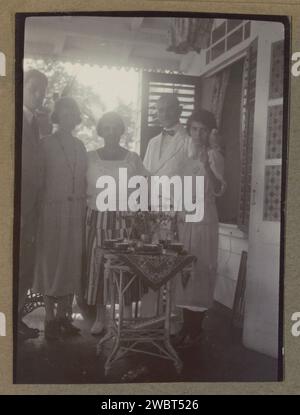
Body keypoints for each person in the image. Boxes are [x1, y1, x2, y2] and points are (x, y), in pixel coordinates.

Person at [85, 111, 148, 335]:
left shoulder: (132, 158)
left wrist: (140, 218)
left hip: (125, 220)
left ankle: (127, 317)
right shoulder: (90, 157)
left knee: (126, 268)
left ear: (121, 130)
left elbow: (144, 187)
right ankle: (101, 317)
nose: (111, 132)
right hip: (98, 218)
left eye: (115, 127)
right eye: (107, 128)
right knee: (99, 267)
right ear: (101, 131)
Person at [32, 96, 87, 340]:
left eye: (71, 113)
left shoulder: (80, 146)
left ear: (76, 117)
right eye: (63, 113)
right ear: (57, 116)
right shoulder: (45, 144)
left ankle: (65, 316)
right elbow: (38, 181)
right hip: (51, 211)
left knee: (70, 263)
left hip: (75, 212)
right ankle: (50, 317)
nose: (68, 117)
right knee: (51, 263)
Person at [174, 109, 226, 348]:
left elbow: (219, 189)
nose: (198, 134)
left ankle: (196, 329)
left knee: (202, 269)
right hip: (185, 217)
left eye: (203, 130)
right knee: (185, 270)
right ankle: (186, 326)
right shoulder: (183, 154)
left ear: (210, 132)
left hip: (205, 217)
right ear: (189, 130)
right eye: (194, 129)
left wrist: (207, 165)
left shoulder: (214, 155)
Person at [141, 94, 189, 318]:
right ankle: (150, 315)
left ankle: (173, 319)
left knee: (173, 265)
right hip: (153, 212)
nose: (165, 114)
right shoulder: (152, 142)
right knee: (152, 263)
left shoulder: (188, 139)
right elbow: (146, 177)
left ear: (179, 110)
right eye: (160, 110)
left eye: (169, 109)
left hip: (176, 211)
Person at [18, 69, 48, 341]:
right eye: (34, 88)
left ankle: (15, 319)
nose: (39, 94)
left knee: (25, 266)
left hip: (33, 209)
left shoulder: (37, 123)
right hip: (15, 209)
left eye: (43, 90)